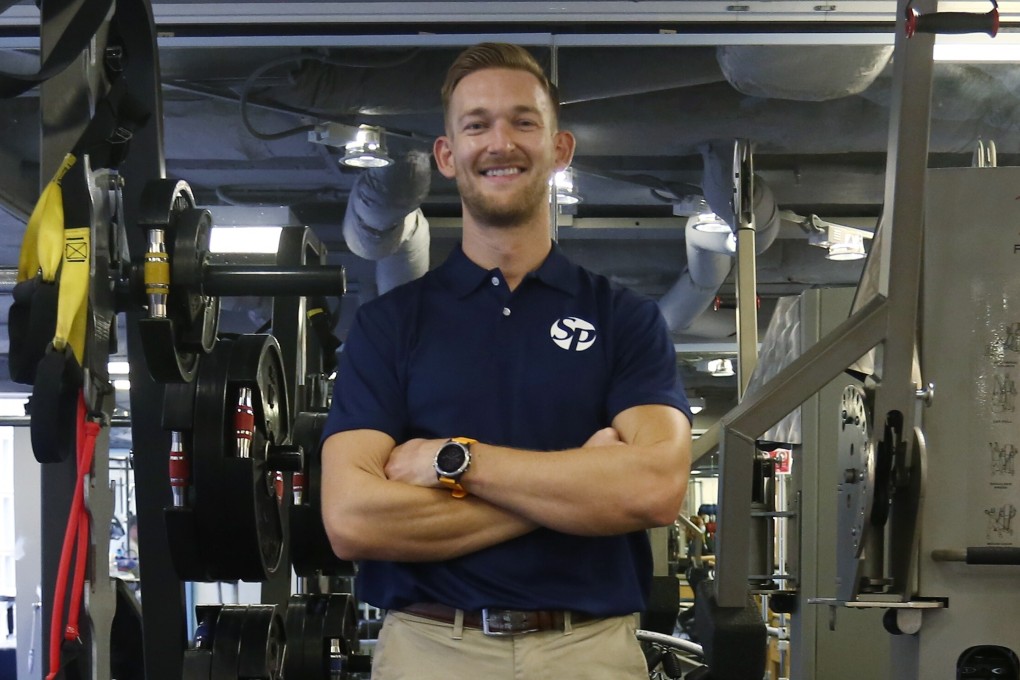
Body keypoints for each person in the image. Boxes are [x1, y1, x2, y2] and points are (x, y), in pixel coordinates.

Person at [320, 42, 693, 680]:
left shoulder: (624, 319)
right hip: (430, 648)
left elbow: (655, 488)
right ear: (447, 155)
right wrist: (579, 488)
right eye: (476, 124)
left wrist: (452, 460)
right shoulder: (389, 327)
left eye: (524, 121)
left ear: (560, 147)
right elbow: (353, 520)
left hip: (588, 650)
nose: (501, 143)